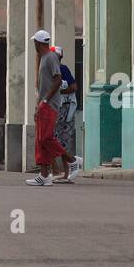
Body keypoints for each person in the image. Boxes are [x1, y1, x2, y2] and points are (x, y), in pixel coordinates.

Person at [26, 30, 82, 186]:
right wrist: (38, 105)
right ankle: (44, 175)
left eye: (35, 43)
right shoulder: (44, 58)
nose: (35, 45)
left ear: (39, 43)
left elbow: (57, 80)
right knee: (40, 140)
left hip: (50, 104)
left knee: (45, 138)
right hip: (43, 104)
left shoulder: (50, 58)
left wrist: (44, 100)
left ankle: (72, 160)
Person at [52, 49, 79, 180]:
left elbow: (74, 87)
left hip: (65, 109)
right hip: (57, 109)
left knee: (62, 141)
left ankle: (68, 168)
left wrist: (57, 92)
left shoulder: (62, 69)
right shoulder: (50, 69)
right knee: (58, 141)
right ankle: (59, 171)